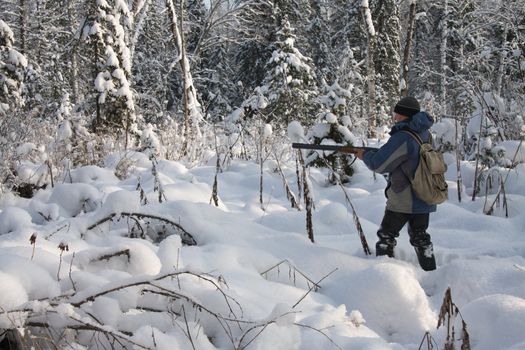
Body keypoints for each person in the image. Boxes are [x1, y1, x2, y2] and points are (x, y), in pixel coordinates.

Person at [354, 96, 437, 271]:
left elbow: (379, 164)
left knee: (386, 237)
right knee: (421, 237)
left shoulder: (402, 137)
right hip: (425, 196)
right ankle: (430, 272)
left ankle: (385, 276)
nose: (394, 116)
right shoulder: (425, 133)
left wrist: (364, 156)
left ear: (404, 114)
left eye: (397, 112)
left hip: (404, 198)